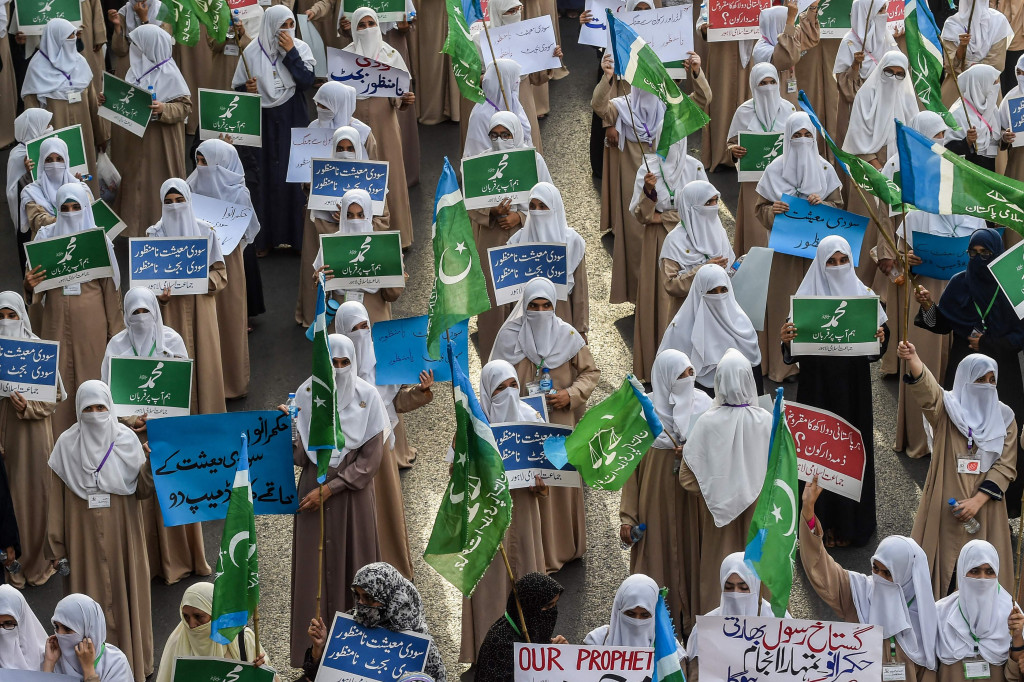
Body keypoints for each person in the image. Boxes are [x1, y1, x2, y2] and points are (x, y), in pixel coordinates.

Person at [884, 111, 985, 456]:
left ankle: (958, 442)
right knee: (923, 365)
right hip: (926, 296)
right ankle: (920, 441)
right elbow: (899, 252)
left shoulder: (973, 213)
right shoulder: (917, 213)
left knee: (959, 367)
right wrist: (906, 258)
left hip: (964, 299)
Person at [285, 333, 389, 665]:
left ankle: (358, 657)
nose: (340, 369)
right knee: (312, 575)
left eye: (345, 363)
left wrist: (330, 490)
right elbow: (300, 457)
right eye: (333, 363)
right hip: (311, 494)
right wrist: (287, 427)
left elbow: (369, 463)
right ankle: (313, 658)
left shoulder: (367, 397)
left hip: (351, 498)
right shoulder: (306, 394)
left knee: (356, 573)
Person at [780, 235, 887, 547]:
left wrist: (880, 338)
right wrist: (786, 339)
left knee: (852, 452)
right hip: (817, 390)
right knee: (818, 454)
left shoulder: (864, 297)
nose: (838, 267)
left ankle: (852, 527)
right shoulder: (806, 299)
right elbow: (792, 351)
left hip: (853, 392)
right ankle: (819, 525)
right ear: (820, 263)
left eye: (843, 261)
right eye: (831, 261)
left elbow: (878, 345)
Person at [101, 287, 210, 586]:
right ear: (126, 315)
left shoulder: (172, 341)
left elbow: (181, 391)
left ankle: (181, 559)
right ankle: (145, 562)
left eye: (145, 312)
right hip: (131, 434)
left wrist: (160, 420)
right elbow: (106, 394)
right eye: (134, 313)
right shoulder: (116, 346)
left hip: (168, 432)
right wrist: (132, 419)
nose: (140, 318)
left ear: (155, 312)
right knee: (141, 495)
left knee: (172, 493)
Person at [45, 382, 154, 681]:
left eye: (101, 408)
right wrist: (56, 547)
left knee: (126, 592)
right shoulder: (66, 446)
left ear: (111, 408)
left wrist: (151, 463)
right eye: (88, 409)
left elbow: (143, 491)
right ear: (78, 411)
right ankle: (86, 668)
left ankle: (129, 666)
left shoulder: (127, 441)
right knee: (85, 600)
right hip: (83, 542)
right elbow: (56, 502)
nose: (95, 414)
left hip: (123, 538)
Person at [490, 278, 598, 571]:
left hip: (559, 422)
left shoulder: (568, 335)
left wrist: (570, 394)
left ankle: (561, 548)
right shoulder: (509, 337)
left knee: (558, 485)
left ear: (554, 306)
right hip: (522, 424)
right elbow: (492, 380)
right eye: (534, 306)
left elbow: (590, 373)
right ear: (524, 307)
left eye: (546, 305)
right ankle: (532, 555)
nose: (540, 312)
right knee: (532, 487)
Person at [915, 227, 1024, 516]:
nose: (978, 259)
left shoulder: (1011, 288)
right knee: (962, 434)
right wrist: (928, 306)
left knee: (1002, 434)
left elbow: (1020, 337)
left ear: (997, 254)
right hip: (964, 368)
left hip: (1001, 375)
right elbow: (942, 324)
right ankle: (959, 497)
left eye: (985, 253)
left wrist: (987, 343)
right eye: (973, 253)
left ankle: (1000, 506)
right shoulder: (959, 282)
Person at [898, 343, 1017, 597]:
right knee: (942, 572)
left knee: (981, 573)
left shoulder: (1005, 418)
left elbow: (1006, 465)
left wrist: (977, 502)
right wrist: (913, 358)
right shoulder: (947, 410)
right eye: (980, 380)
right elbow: (928, 391)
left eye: (992, 380)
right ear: (964, 380)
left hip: (986, 509)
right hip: (945, 501)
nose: (986, 386)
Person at [594, 55, 710, 305]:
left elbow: (702, 100)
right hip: (633, 171)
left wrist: (696, 73)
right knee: (637, 232)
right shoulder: (623, 106)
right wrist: (607, 77)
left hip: (670, 171)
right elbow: (599, 106)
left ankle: (669, 295)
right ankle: (641, 296)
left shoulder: (670, 106)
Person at [800, 477, 939, 679]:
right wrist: (808, 511)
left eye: (888, 573)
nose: (879, 577)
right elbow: (819, 566)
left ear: (908, 576)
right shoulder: (859, 594)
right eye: (875, 568)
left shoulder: (926, 619)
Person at [458, 359, 548, 663]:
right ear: (487, 392)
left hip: (524, 513)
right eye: (499, 389)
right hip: (487, 518)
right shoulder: (472, 426)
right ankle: (490, 651)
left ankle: (531, 651)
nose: (508, 393)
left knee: (527, 577)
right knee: (490, 585)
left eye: (513, 386)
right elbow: (455, 475)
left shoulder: (531, 418)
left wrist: (541, 485)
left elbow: (547, 474)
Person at [335, 301, 433, 574]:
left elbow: (396, 401)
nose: (361, 334)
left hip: (381, 454)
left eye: (364, 326)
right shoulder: (333, 369)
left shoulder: (384, 363)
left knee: (386, 512)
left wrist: (422, 392)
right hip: (347, 458)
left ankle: (392, 568)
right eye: (354, 329)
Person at [620, 350, 711, 634]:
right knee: (657, 563)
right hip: (654, 505)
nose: (687, 379)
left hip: (693, 505)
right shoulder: (643, 416)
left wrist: (694, 453)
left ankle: (694, 629)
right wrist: (628, 517)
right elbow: (630, 471)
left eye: (690, 373)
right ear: (664, 378)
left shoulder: (706, 407)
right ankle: (654, 631)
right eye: (680, 375)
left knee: (696, 559)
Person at [678, 348, 773, 615]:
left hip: (718, 519)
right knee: (760, 575)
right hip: (761, 517)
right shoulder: (767, 420)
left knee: (719, 576)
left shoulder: (706, 422)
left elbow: (686, 478)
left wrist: (715, 492)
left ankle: (714, 633)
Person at [24, 182, 122, 439]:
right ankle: (59, 442)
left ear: (86, 208)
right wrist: (29, 285)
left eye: (75, 207)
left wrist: (117, 335)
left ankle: (98, 439)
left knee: (93, 378)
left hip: (92, 324)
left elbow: (111, 291)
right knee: (57, 382)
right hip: (55, 322)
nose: (69, 213)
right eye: (64, 208)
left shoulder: (98, 241)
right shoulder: (45, 238)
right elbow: (35, 289)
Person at [754, 112, 843, 383]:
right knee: (785, 301)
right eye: (796, 135)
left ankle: (817, 362)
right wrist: (774, 211)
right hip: (785, 254)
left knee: (819, 302)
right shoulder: (774, 170)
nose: (802, 140)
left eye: (807, 135)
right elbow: (760, 209)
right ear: (787, 137)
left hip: (819, 253)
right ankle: (785, 365)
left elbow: (838, 209)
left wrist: (822, 205)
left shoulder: (825, 170)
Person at [466, 111, 553, 360]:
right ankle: (494, 364)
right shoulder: (481, 162)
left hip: (527, 239)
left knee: (525, 299)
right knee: (493, 303)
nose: (499, 140)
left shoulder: (533, 161)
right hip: (491, 240)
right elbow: (470, 205)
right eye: (494, 135)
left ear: (516, 134)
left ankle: (529, 362)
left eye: (505, 135)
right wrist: (491, 212)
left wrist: (521, 217)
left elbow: (550, 200)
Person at [233, 4, 315, 253]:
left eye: (291, 25)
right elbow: (237, 88)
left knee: (294, 176)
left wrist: (290, 53)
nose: (287, 31)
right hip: (263, 119)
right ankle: (264, 240)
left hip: (292, 116)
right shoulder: (251, 51)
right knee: (263, 177)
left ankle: (297, 239)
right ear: (270, 26)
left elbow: (306, 81)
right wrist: (246, 89)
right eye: (282, 26)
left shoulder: (300, 48)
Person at [146, 179, 228, 415]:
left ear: (189, 201)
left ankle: (210, 417)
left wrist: (201, 281)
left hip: (202, 305)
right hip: (170, 310)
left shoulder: (206, 231)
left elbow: (220, 274)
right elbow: (147, 280)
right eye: (169, 202)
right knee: (173, 361)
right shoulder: (154, 234)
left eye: (180, 200)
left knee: (206, 361)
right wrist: (159, 297)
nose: (175, 206)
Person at [187, 138, 260, 399]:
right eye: (198, 160)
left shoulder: (239, 193)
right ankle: (205, 386)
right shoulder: (188, 188)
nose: (201, 166)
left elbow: (248, 231)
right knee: (202, 324)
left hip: (229, 263)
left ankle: (232, 382)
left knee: (229, 321)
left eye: (207, 161)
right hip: (199, 262)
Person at [298, 130, 394, 328]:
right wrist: (319, 279)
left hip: (374, 316)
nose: (345, 153)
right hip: (340, 313)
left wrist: (396, 271)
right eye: (340, 148)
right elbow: (321, 285)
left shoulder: (382, 248)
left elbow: (392, 294)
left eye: (350, 148)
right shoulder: (331, 246)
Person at [0, 291, 63, 589]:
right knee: (8, 498)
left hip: (35, 434)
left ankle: (38, 562)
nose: (6, 321)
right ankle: (12, 561)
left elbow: (56, 396)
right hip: (5, 437)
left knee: (38, 495)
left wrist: (30, 407)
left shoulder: (38, 349)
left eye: (12, 315)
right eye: (0, 316)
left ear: (22, 317)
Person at [841, 50, 918, 289]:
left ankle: (888, 290)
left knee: (897, 226)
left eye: (899, 74)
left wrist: (896, 172)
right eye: (888, 72)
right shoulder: (866, 96)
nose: (893, 78)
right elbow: (857, 142)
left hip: (900, 172)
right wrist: (881, 170)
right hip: (868, 171)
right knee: (870, 227)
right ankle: (859, 285)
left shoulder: (907, 98)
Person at [630, 153, 711, 382]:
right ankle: (657, 367)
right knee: (659, 298)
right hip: (657, 240)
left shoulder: (695, 167)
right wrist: (649, 192)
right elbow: (642, 216)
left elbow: (706, 207)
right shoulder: (648, 168)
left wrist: (663, 217)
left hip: (694, 237)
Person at [109, 24, 191, 239]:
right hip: (137, 139)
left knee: (159, 180)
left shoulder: (170, 73)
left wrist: (164, 109)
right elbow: (126, 101)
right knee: (137, 180)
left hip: (163, 140)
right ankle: (136, 229)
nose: (134, 49)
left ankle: (165, 229)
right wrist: (107, 99)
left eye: (137, 45)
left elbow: (185, 107)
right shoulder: (135, 72)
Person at [344, 7, 415, 249]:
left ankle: (398, 236)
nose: (367, 29)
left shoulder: (391, 55)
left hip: (385, 123)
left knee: (389, 175)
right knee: (358, 174)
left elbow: (401, 95)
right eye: (361, 25)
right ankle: (360, 237)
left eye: (371, 24)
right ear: (354, 29)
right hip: (353, 123)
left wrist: (404, 100)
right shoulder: (345, 57)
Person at [304, 563, 447, 681]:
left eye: (369, 598)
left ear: (390, 598)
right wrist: (319, 648)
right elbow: (315, 676)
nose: (361, 603)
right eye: (358, 595)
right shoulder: (351, 623)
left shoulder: (417, 643)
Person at [21, 18, 105, 198]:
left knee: (84, 180)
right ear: (55, 39)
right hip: (53, 137)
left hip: (84, 134)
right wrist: (31, 150)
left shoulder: (80, 63)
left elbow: (92, 104)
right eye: (69, 37)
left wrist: (101, 136)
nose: (73, 40)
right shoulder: (37, 69)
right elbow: (31, 113)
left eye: (74, 35)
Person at [685, 553, 791, 679]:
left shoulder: (779, 620)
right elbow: (695, 674)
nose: (736, 594)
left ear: (755, 586)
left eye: (744, 588)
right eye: (729, 587)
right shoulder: (706, 628)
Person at [727, 63, 795, 259]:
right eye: (762, 83)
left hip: (784, 180)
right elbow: (731, 142)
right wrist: (734, 151)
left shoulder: (789, 109)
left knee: (783, 226)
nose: (768, 87)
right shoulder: (744, 111)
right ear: (753, 85)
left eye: (772, 82)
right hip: (754, 183)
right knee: (756, 230)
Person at [659, 265, 761, 395]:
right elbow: (666, 377)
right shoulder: (679, 331)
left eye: (723, 290)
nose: (718, 296)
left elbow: (755, 383)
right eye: (712, 291)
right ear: (699, 292)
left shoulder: (743, 327)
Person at [935, 540, 1024, 682]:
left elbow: (1016, 675)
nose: (982, 578)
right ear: (962, 571)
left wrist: (1017, 636)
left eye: (989, 572)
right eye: (974, 571)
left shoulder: (1012, 614)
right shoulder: (941, 612)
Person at [507, 182, 588, 334]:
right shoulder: (516, 242)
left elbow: (580, 292)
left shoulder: (572, 242)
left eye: (543, 206)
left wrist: (580, 330)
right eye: (532, 206)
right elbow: (508, 295)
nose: (537, 211)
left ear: (554, 208)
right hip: (524, 322)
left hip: (562, 318)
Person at [155, 583, 270, 682]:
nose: (191, 625)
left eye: (198, 616)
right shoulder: (176, 644)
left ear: (215, 613)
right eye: (186, 617)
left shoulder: (243, 639)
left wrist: (261, 670)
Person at [474, 573, 566, 682]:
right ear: (529, 605)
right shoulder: (500, 642)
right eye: (548, 605)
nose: (553, 610)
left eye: (555, 604)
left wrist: (562, 653)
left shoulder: (531, 627)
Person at [833, 0, 896, 146]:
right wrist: (855, 65)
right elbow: (842, 82)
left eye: (885, 9)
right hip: (858, 106)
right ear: (866, 14)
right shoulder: (849, 42)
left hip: (884, 103)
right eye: (880, 11)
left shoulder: (886, 38)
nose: (885, 15)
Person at [584, 574, 685, 656]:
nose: (637, 622)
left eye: (645, 615)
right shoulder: (596, 641)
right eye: (630, 614)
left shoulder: (671, 649)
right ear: (618, 610)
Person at [43, 594, 135, 682]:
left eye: (67, 629)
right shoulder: (55, 658)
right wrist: (49, 664)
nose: (59, 634)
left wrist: (89, 670)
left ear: (89, 631)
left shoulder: (115, 663)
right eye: (56, 626)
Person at [940, 0, 1012, 106]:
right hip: (958, 89)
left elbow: (997, 63)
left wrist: (972, 67)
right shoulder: (952, 24)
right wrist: (961, 47)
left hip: (988, 88)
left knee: (989, 116)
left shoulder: (998, 22)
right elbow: (950, 66)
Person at [463, 58, 536, 158]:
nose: (517, 82)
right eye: (515, 79)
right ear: (504, 81)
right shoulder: (480, 115)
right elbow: (477, 154)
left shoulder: (515, 106)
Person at [19, 136, 89, 238]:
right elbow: (37, 220)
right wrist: (70, 220)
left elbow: (89, 214)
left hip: (80, 242)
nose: (54, 164)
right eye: (49, 160)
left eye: (59, 159)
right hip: (47, 244)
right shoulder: (31, 192)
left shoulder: (81, 188)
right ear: (42, 162)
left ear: (66, 161)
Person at [6, 109, 53, 259]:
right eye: (46, 125)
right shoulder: (17, 156)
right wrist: (28, 173)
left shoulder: (51, 147)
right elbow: (15, 192)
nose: (50, 128)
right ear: (34, 128)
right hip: (31, 215)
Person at [749, 2, 810, 107]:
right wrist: (790, 20)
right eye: (785, 23)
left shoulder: (787, 40)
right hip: (772, 105)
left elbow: (810, 37)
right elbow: (786, 57)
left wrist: (813, 8)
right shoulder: (762, 49)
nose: (790, 26)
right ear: (776, 24)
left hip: (789, 101)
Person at [947, 64, 1003, 171]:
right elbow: (948, 149)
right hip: (966, 172)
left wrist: (1004, 138)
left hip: (988, 168)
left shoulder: (992, 107)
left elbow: (996, 138)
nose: (997, 86)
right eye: (993, 83)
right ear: (981, 85)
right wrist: (967, 141)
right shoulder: (958, 112)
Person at [107, 0, 166, 77]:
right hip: (129, 69)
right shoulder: (125, 11)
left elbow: (160, 49)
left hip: (155, 68)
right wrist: (117, 26)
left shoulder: (162, 10)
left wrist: (144, 20)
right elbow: (120, 51)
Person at [0, 584, 47, 669]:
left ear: (21, 622)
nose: (2, 631)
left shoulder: (47, 657)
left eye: (8, 623)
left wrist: (49, 664)